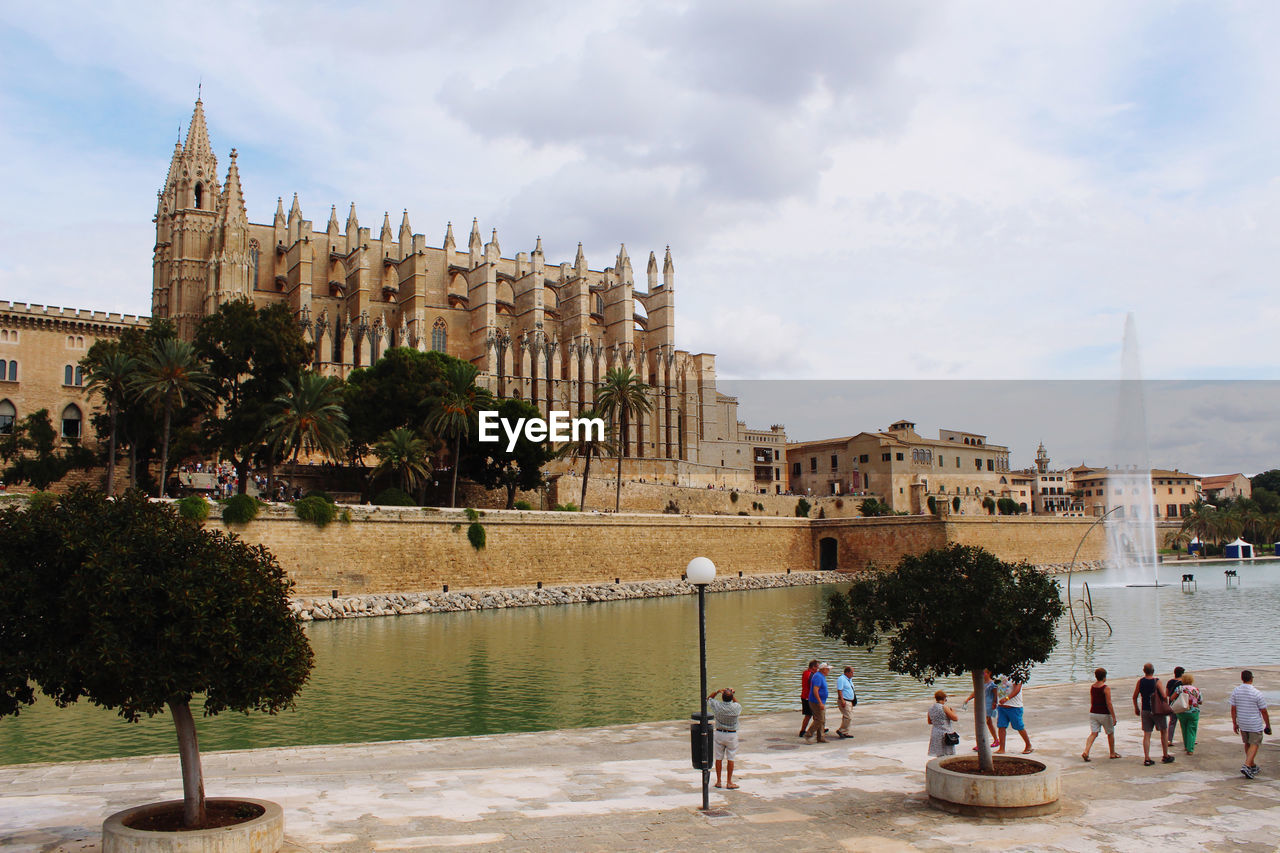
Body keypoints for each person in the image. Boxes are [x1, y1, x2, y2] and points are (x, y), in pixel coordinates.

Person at [1230, 670, 1271, 779]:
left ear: (1242, 678)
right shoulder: (1257, 693)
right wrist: (1268, 725)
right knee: (1255, 743)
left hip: (1242, 722)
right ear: (1251, 678)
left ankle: (1252, 764)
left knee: (1247, 742)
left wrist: (1235, 722)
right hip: (1254, 723)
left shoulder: (1236, 691)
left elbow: (1233, 709)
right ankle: (1247, 765)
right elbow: (1264, 711)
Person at [1132, 662, 1174, 765]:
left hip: (1145, 709)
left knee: (1147, 734)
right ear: (1153, 671)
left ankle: (1147, 758)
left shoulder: (1140, 681)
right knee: (1163, 732)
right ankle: (1165, 755)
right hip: (1157, 710)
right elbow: (1164, 696)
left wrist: (1136, 708)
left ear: (1144, 671)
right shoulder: (1156, 681)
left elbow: (1135, 696)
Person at [1082, 667, 1120, 761]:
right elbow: (1109, 703)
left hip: (1093, 712)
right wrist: (1114, 717)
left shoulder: (1093, 687)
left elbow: (1092, 700)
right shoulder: (1105, 688)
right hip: (1104, 713)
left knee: (1094, 733)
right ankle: (1112, 753)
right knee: (1110, 732)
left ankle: (1086, 751)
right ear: (1104, 677)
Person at [707, 687, 741, 790]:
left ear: (722, 697)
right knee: (731, 758)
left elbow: (708, 699)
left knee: (718, 758)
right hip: (731, 734)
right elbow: (738, 704)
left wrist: (717, 691)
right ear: (731, 697)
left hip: (719, 733)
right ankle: (729, 782)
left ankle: (718, 781)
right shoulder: (735, 707)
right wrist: (732, 694)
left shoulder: (718, 706)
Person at [996, 673, 1033, 754]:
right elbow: (997, 688)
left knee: (1019, 726)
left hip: (1014, 707)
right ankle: (1001, 748)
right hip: (1002, 707)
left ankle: (1028, 745)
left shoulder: (1017, 674)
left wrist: (1007, 698)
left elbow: (1017, 689)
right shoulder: (999, 674)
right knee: (1001, 726)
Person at [963, 669, 998, 752]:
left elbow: (995, 695)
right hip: (981, 705)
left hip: (988, 705)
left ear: (989, 673)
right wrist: (968, 699)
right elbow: (975, 692)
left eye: (984, 673)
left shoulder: (992, 684)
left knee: (983, 723)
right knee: (988, 723)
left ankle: (981, 743)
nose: (983, 674)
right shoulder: (981, 683)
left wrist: (994, 703)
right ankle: (996, 739)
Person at [1173, 673, 1202, 754]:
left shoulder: (1180, 688)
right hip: (1193, 711)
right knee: (1192, 729)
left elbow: (1172, 697)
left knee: (1184, 728)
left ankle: (1186, 746)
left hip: (1182, 711)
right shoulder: (1196, 689)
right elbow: (1200, 701)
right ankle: (1190, 749)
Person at [928, 689, 960, 757]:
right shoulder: (944, 708)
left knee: (939, 754)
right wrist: (953, 712)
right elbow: (955, 718)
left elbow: (930, 721)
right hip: (945, 733)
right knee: (948, 754)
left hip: (935, 732)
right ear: (944, 698)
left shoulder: (930, 708)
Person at [805, 663, 830, 743]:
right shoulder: (818, 677)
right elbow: (815, 690)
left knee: (822, 719)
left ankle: (820, 737)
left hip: (821, 701)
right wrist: (820, 702)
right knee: (820, 719)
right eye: (828, 669)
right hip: (816, 702)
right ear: (823, 669)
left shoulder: (821, 676)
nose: (829, 671)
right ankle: (809, 734)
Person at [1165, 666, 1185, 746]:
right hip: (1182, 704)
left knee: (1172, 722)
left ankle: (1169, 740)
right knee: (1184, 723)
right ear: (1182, 674)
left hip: (1172, 704)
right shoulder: (1184, 682)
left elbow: (1166, 694)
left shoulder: (1170, 682)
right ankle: (1188, 739)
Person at [835, 666, 857, 739]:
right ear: (847, 672)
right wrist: (842, 700)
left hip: (850, 701)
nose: (853, 674)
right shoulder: (841, 679)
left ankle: (845, 732)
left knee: (847, 717)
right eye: (851, 672)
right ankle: (841, 730)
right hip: (844, 700)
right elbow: (839, 690)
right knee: (848, 717)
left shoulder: (849, 680)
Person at [798, 660, 818, 737]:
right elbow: (813, 687)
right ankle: (803, 730)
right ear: (813, 667)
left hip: (805, 696)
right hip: (808, 697)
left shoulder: (806, 673)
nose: (818, 669)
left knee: (813, 714)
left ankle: (819, 727)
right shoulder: (811, 675)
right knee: (809, 715)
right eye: (817, 667)